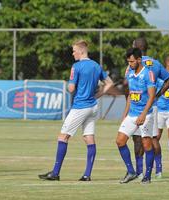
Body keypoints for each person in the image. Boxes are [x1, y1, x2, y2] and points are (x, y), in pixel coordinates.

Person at [38, 40, 114, 181]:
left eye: (74, 51)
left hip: (80, 106)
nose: (73, 53)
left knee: (63, 137)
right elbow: (109, 83)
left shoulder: (77, 66)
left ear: (81, 51)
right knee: (89, 138)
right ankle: (87, 175)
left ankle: (55, 173)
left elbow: (71, 88)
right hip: (92, 106)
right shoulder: (96, 66)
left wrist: (69, 86)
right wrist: (97, 95)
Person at [129, 38, 169, 179]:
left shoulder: (134, 64)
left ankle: (140, 171)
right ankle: (158, 170)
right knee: (153, 139)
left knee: (137, 139)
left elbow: (128, 87)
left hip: (137, 107)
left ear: (135, 47)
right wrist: (158, 95)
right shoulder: (155, 63)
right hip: (152, 107)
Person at [116, 47, 156, 184]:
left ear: (139, 60)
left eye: (132, 62)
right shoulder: (129, 73)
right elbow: (130, 96)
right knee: (120, 141)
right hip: (132, 114)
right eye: (128, 62)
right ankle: (131, 171)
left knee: (146, 144)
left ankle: (147, 176)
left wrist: (144, 114)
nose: (130, 64)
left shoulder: (148, 74)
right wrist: (124, 114)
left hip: (146, 114)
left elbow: (151, 97)